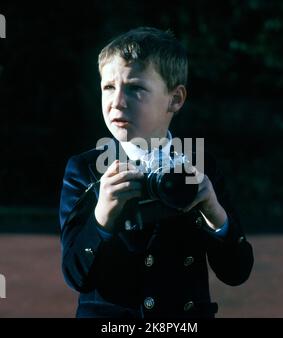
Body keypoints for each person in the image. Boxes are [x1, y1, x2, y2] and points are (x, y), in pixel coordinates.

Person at [59, 27, 254, 319]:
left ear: (175, 99)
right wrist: (101, 218)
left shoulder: (198, 165)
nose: (117, 101)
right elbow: (76, 277)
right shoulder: (85, 171)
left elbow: (236, 272)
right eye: (109, 87)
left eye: (136, 88)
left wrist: (216, 214)